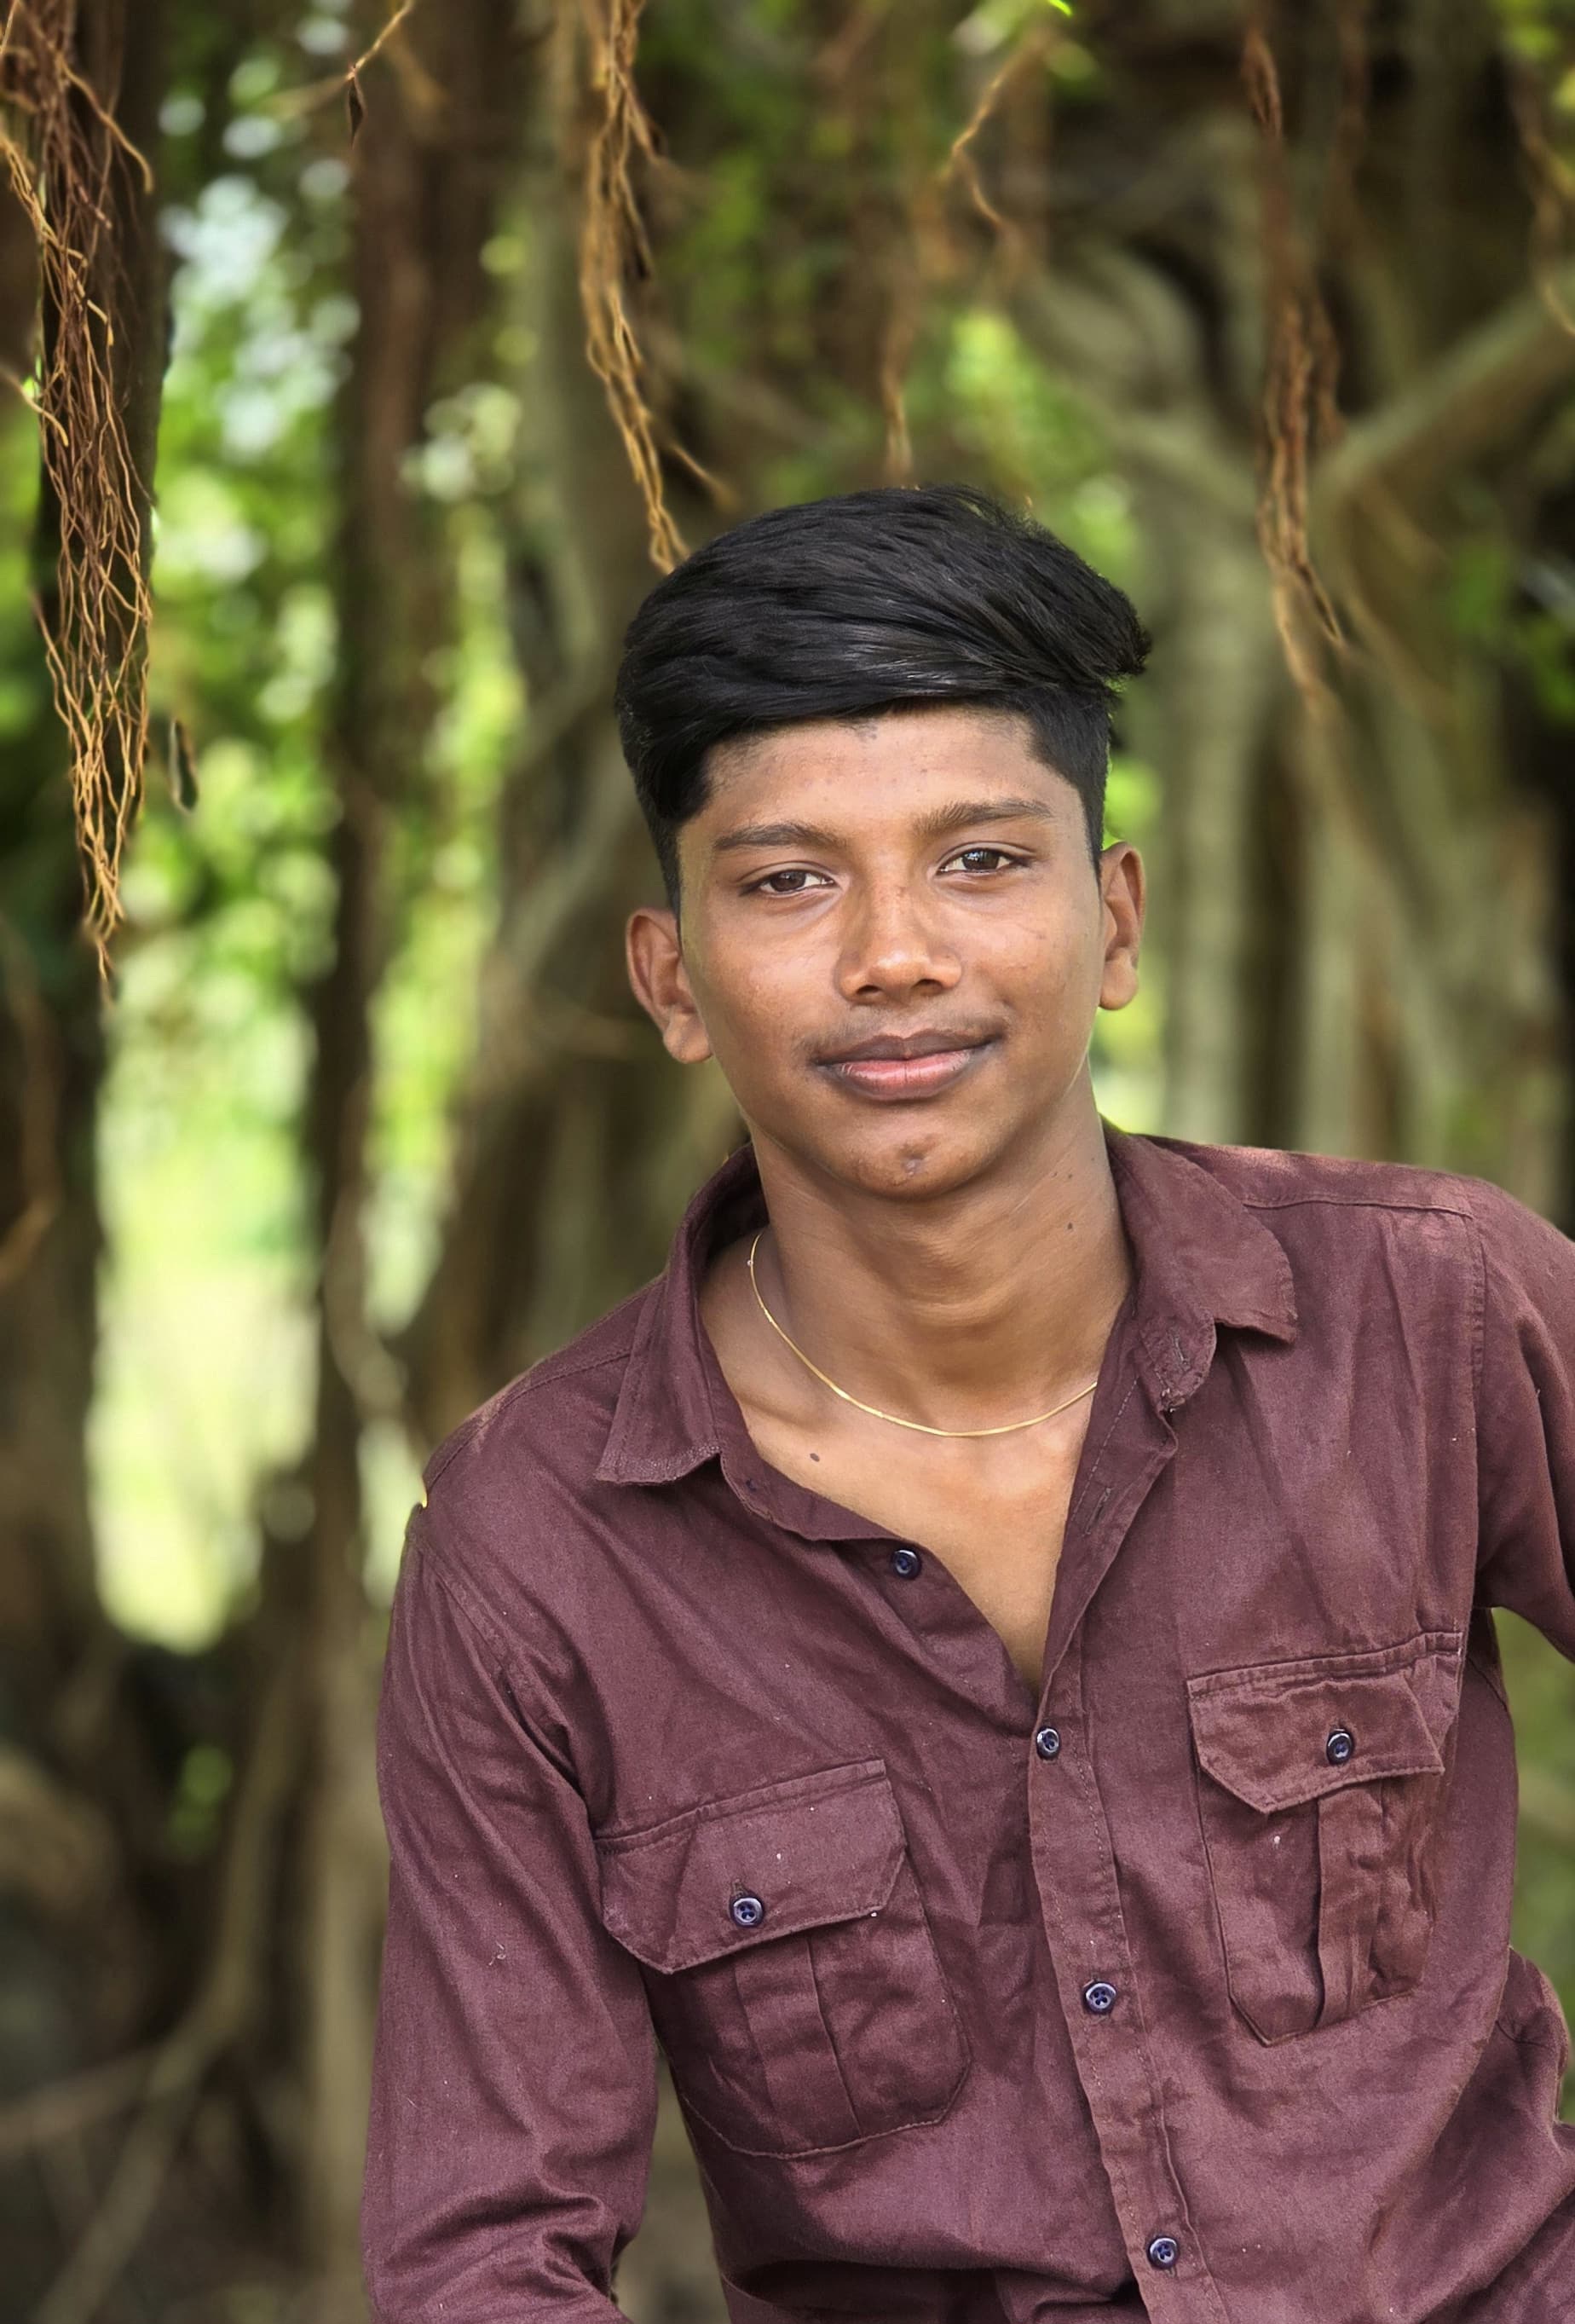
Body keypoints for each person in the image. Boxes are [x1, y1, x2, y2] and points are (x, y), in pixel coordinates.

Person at [359, 484, 1575, 2323]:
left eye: (983, 860)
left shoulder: (1433, 1309)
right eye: (789, 880)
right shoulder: (538, 1542)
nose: (894, 953)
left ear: (1117, 920)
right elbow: (481, 2254)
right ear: (672, 978)